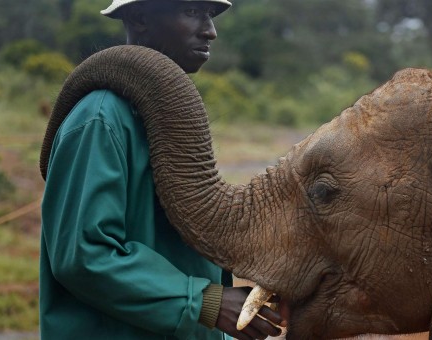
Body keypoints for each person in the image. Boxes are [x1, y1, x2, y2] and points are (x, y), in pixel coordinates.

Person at [39, 0, 285, 339]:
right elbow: (84, 255)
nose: (210, 31)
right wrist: (203, 302)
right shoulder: (100, 119)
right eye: (192, 12)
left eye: (210, 15)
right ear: (139, 17)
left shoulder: (162, 112)